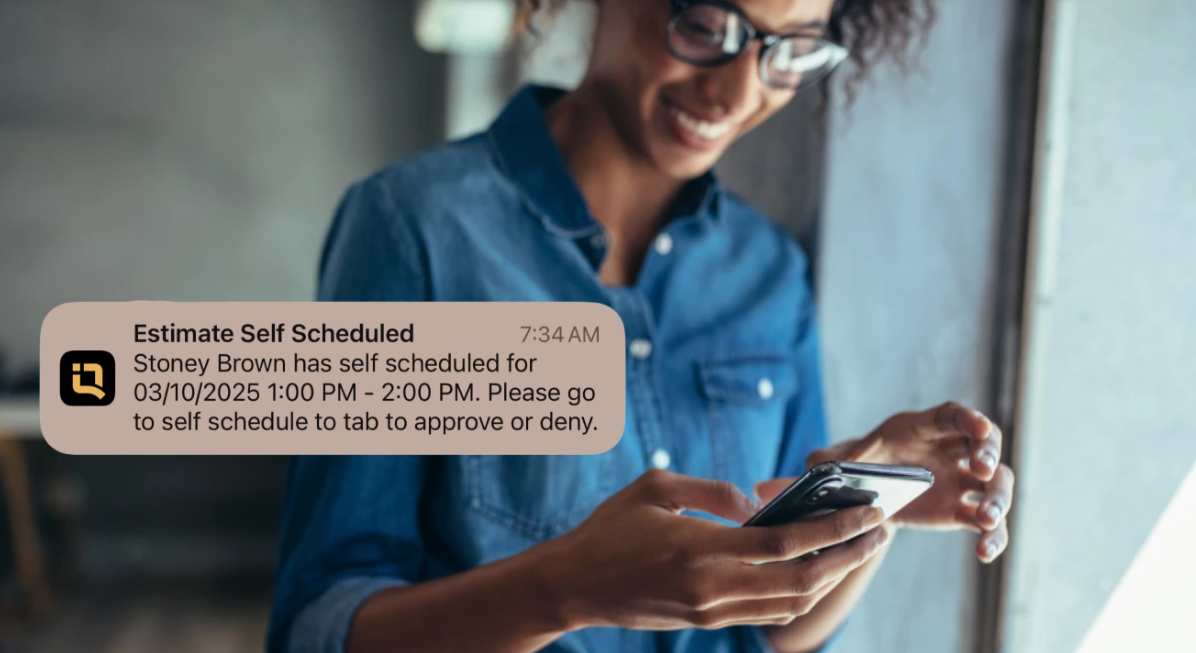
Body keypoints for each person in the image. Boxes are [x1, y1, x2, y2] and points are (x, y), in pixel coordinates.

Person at [267, 1, 1016, 652]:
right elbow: (319, 627)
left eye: (789, 50)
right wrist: (563, 587)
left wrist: (862, 509)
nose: (737, 90)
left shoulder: (768, 273)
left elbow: (771, 634)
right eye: (705, 24)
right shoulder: (413, 230)